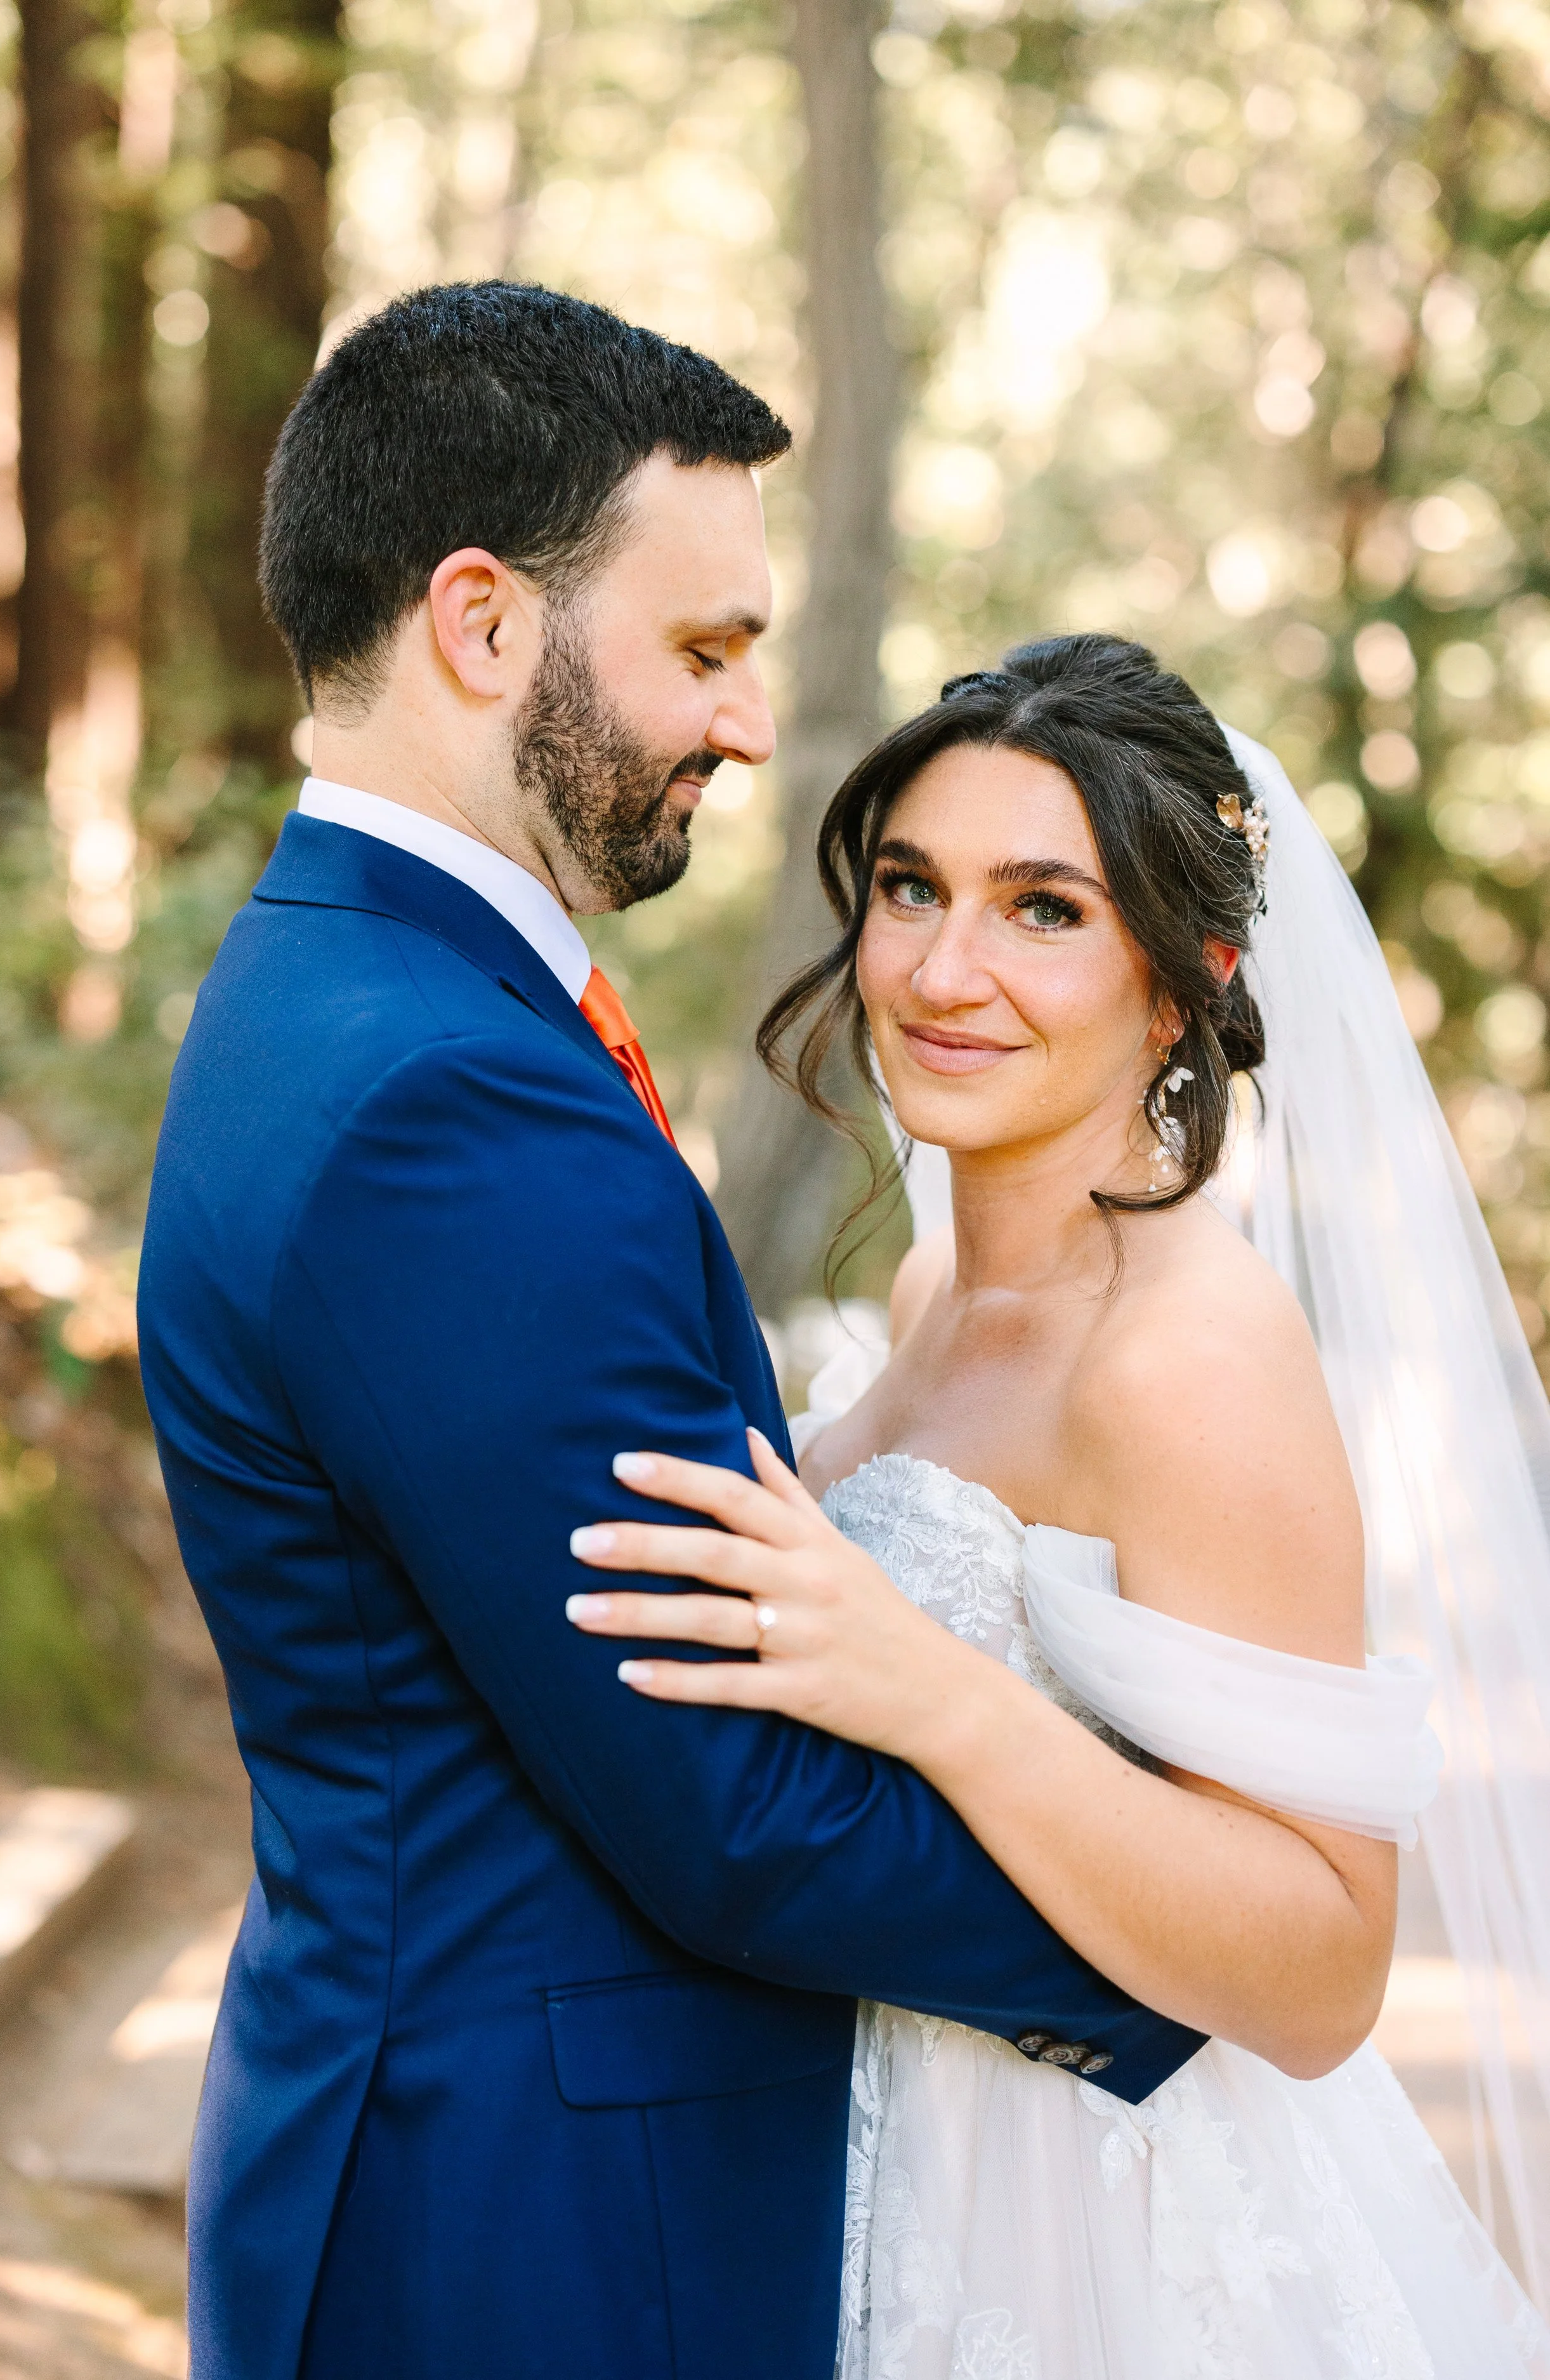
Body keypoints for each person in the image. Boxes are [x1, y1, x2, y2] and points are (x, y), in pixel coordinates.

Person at [136, 295, 1200, 2380]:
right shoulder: (445, 1096)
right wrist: (1208, 1947)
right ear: (481, 622)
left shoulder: (349, 997)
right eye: (702, 648)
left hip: (445, 2157)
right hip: (535, 2241)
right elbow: (727, 1804)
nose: (739, 723)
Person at [568, 634, 1550, 2377]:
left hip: (1099, 2234)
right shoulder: (946, 1285)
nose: (946, 968)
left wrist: (931, 1691)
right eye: (908, 886)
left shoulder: (1181, 1354)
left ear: (1182, 980)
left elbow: (1324, 1971)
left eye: (1044, 908)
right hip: (878, 2160)